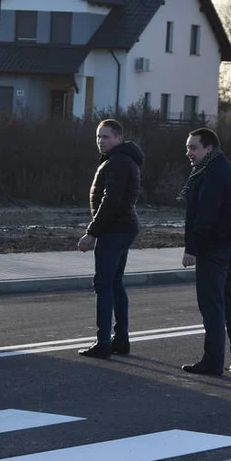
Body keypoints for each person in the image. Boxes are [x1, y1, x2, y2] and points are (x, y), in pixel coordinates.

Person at [179, 127, 231, 375]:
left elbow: (204, 216)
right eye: (188, 147)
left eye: (193, 147)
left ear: (208, 148)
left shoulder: (212, 173)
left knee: (212, 305)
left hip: (215, 248)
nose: (188, 152)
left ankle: (213, 361)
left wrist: (192, 249)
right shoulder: (223, 167)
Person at [77, 119, 144, 359]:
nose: (101, 141)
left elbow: (111, 200)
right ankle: (121, 340)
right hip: (122, 228)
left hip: (114, 230)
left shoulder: (118, 162)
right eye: (98, 137)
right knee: (115, 283)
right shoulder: (122, 160)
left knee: (104, 284)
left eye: (106, 137)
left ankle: (104, 342)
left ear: (118, 138)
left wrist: (92, 232)